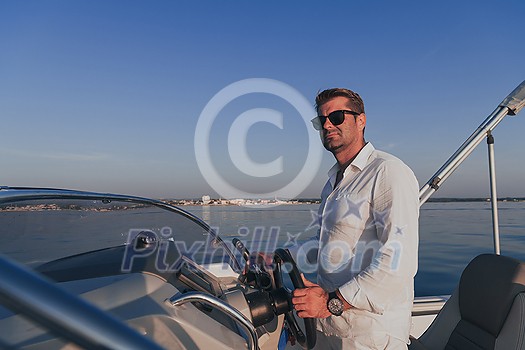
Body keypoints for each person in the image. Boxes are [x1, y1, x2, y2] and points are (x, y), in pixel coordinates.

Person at [289, 88, 419, 349]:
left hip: (370, 335)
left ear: (361, 121)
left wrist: (330, 302)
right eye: (321, 120)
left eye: (337, 116)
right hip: (331, 326)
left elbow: (399, 261)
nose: (327, 124)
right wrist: (280, 257)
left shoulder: (387, 172)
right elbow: (325, 244)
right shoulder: (333, 182)